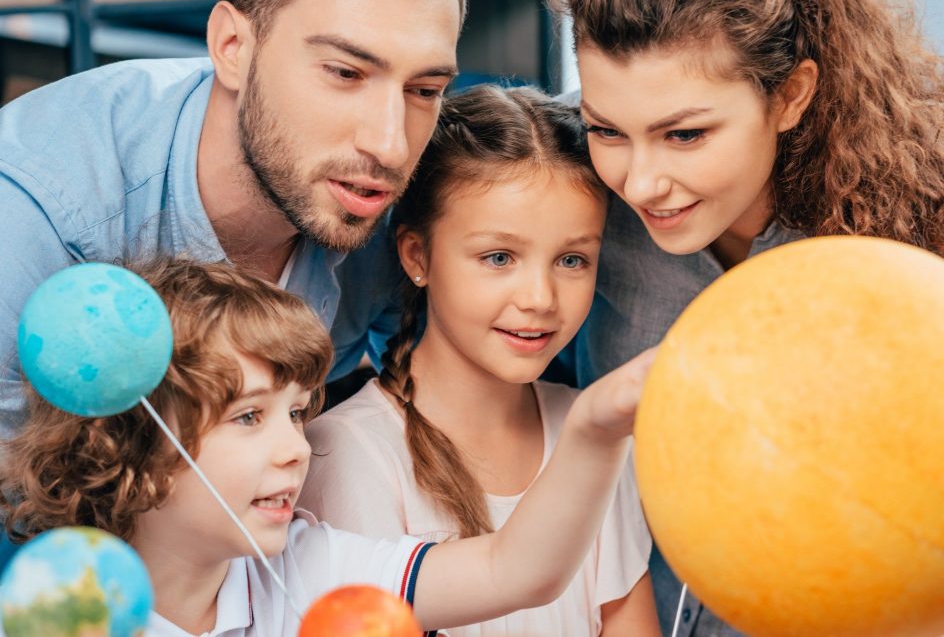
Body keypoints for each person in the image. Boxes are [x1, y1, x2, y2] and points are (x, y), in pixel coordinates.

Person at [547, 0, 944, 634]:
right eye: (607, 130)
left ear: (790, 96)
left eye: (685, 134)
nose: (643, 180)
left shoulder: (909, 238)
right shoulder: (558, 178)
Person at [0, 258, 655, 636]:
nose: (296, 449)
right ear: (137, 450)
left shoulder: (307, 571)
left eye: (296, 413)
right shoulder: (63, 612)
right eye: (250, 417)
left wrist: (595, 427)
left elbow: (516, 573)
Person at [0, 0, 470, 437]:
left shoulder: (407, 207)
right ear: (232, 47)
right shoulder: (32, 217)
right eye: (345, 73)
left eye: (425, 89)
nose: (391, 147)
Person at [298, 85, 659, 636]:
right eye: (498, 257)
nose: (540, 297)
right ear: (417, 255)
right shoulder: (347, 454)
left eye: (571, 259)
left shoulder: (596, 429)